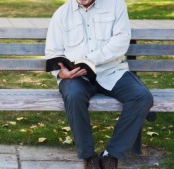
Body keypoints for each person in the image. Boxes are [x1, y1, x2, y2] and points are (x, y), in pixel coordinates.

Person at [45, 0, 153, 168]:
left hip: (112, 71)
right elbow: (53, 52)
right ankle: (88, 157)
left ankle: (111, 155)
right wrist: (61, 73)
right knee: (74, 95)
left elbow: (121, 42)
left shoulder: (116, 5)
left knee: (141, 97)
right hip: (77, 76)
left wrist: (90, 60)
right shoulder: (61, 14)